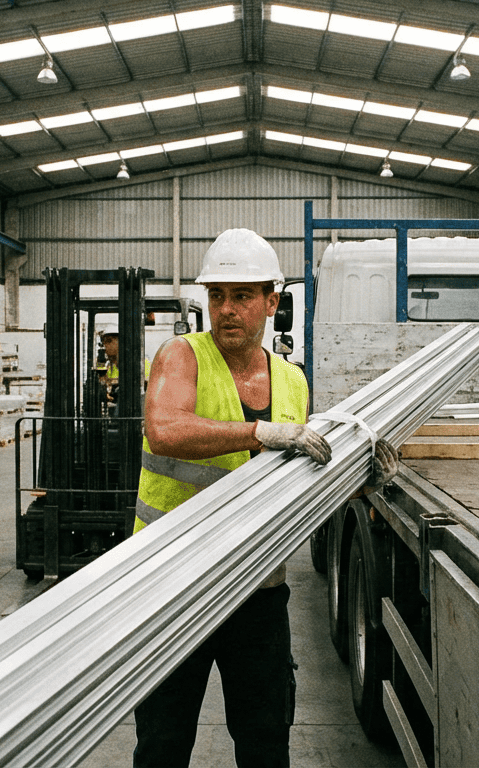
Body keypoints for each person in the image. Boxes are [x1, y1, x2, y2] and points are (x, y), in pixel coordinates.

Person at [131, 228, 332, 768]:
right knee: (163, 742)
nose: (226, 310)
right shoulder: (182, 356)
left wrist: (361, 475)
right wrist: (258, 433)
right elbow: (164, 429)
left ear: (272, 301)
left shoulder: (292, 382)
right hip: (175, 585)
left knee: (266, 741)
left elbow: (304, 479)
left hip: (258, 592)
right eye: (216, 295)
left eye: (242, 296)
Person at [97, 324, 151, 402]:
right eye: (103, 343)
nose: (104, 346)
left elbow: (146, 386)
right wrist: (100, 364)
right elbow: (103, 385)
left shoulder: (141, 362)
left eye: (109, 341)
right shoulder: (109, 366)